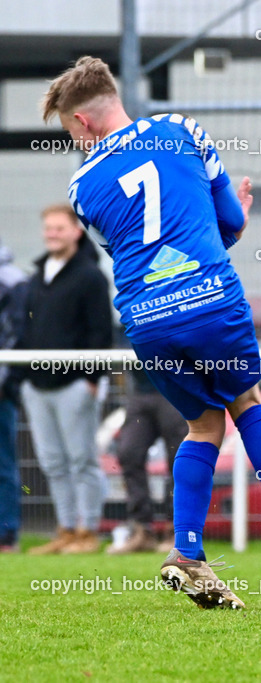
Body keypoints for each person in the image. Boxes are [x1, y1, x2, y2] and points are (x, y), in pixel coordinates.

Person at [43, 56, 261, 608]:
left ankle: (187, 553)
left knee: (201, 426)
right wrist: (237, 221)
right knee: (248, 402)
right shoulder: (181, 130)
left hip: (147, 319)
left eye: (69, 131)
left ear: (82, 123)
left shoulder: (83, 186)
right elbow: (226, 223)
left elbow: (139, 250)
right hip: (210, 298)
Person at [19, 206, 112, 555]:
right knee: (53, 462)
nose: (52, 234)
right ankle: (67, 529)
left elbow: (100, 330)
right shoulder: (38, 274)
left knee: (81, 459)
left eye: (59, 228)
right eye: (48, 228)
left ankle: (88, 531)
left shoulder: (90, 276)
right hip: (36, 386)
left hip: (75, 384)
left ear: (75, 232)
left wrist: (91, 379)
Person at [107, 367, 188, 554]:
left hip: (177, 390)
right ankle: (141, 530)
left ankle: (177, 531)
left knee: (179, 459)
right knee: (129, 453)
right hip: (141, 392)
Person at [0, 241, 27, 554]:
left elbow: (15, 335)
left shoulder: (11, 279)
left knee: (4, 466)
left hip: (2, 389)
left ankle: (7, 535)